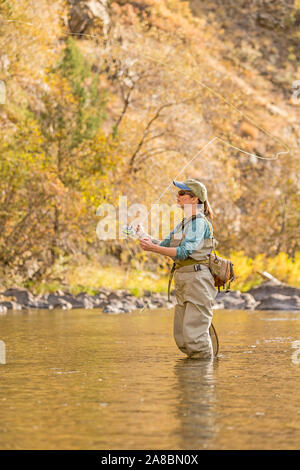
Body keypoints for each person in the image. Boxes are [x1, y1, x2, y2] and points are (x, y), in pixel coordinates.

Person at [138, 179, 218, 360]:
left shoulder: (199, 223)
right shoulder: (185, 222)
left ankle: (203, 379)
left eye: (182, 193)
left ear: (194, 199)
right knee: (182, 337)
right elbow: (164, 244)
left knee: (194, 337)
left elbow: (183, 252)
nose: (178, 196)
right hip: (184, 280)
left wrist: (154, 249)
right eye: (178, 193)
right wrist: (143, 235)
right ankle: (191, 379)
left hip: (198, 280)